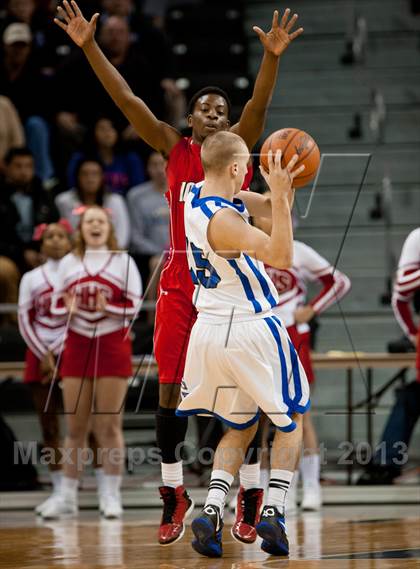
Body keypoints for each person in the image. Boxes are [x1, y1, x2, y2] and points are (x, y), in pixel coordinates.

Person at [55, 0, 304, 545]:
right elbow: (126, 98)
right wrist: (91, 46)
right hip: (178, 288)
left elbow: (260, 105)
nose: (215, 115)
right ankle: (174, 493)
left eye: (222, 110)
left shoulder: (237, 150)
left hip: (230, 290)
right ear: (190, 119)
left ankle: (250, 496)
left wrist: (271, 59)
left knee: (248, 399)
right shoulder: (171, 146)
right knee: (169, 396)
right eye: (206, 110)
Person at [178, 132, 309, 558]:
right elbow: (283, 255)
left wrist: (280, 191)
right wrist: (283, 199)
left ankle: (212, 510)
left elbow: (262, 205)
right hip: (252, 327)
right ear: (235, 168)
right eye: (246, 167)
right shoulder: (225, 222)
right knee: (291, 417)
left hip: (210, 331)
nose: (248, 172)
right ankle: (274, 510)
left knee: (241, 425)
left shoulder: (194, 195)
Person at [41, 205, 142, 519]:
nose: (95, 226)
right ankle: (67, 495)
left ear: (108, 226)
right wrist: (69, 310)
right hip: (78, 344)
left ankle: (110, 495)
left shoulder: (123, 261)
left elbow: (135, 308)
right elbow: (54, 308)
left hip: (112, 343)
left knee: (108, 425)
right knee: (75, 425)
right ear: (80, 228)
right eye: (89, 222)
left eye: (100, 221)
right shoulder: (68, 263)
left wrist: (107, 307)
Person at [254, 214, 351, 511]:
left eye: (272, 209)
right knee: (258, 420)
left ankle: (309, 488)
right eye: (261, 209)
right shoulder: (247, 249)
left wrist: (311, 309)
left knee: (300, 415)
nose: (265, 216)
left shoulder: (298, 250)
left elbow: (339, 282)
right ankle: (258, 491)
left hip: (294, 337)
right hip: (257, 338)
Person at [17, 220, 72, 515]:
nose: (54, 241)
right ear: (41, 243)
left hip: (72, 351)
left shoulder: (76, 273)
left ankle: (77, 490)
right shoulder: (31, 278)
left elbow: (78, 315)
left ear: (69, 242)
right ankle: (58, 488)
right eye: (49, 237)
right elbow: (24, 319)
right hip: (39, 356)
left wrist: (60, 349)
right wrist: (44, 354)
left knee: (80, 425)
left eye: (60, 236)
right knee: (49, 425)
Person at [358, 227, 420, 484]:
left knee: (410, 397)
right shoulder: (417, 237)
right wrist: (413, 333)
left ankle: (386, 461)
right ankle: (385, 462)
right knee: (410, 398)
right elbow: (401, 288)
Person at [55, 157, 130, 248]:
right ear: (77, 177)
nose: (90, 179)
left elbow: (122, 237)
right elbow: (60, 235)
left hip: (110, 255)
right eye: (85, 174)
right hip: (73, 254)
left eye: (95, 174)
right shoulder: (63, 201)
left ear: (103, 177)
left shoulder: (116, 201)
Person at [67, 117, 146, 196]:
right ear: (93, 132)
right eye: (102, 129)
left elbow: (137, 189)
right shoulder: (81, 157)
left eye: (111, 128)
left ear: (117, 132)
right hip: (90, 203)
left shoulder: (130, 158)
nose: (107, 133)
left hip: (124, 204)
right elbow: (73, 185)